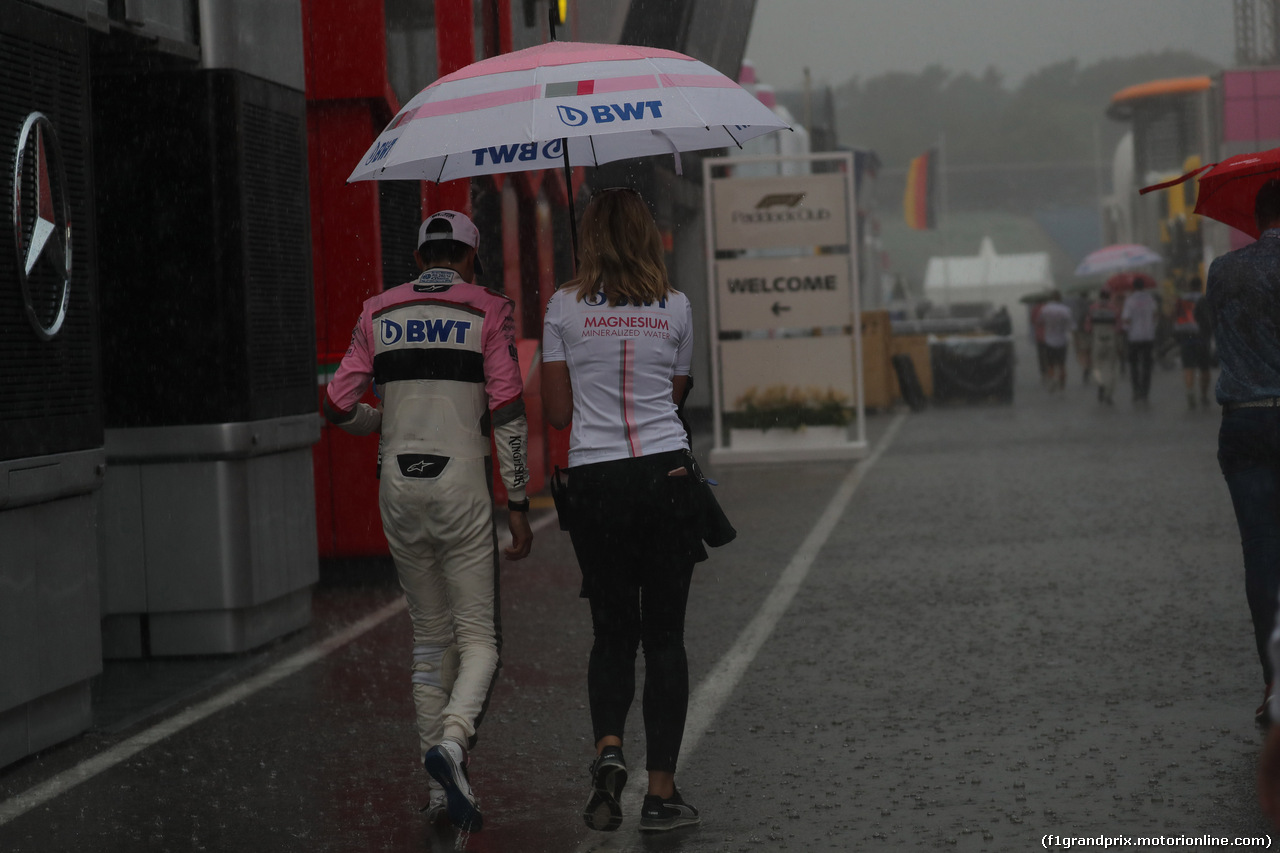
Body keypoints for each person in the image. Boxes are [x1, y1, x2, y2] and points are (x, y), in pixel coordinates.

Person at [323, 210, 533, 832]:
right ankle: (453, 743)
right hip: (462, 480)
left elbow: (336, 404)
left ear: (419, 259)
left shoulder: (376, 310)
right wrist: (517, 504)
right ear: (471, 258)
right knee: (479, 641)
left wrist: (377, 425)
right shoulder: (490, 309)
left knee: (429, 638)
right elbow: (509, 411)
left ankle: (439, 791)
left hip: (398, 485)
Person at [541, 187, 707, 833]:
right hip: (665, 476)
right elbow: (674, 395)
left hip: (597, 483)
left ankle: (608, 747)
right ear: (648, 236)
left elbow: (557, 413)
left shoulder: (562, 305)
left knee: (612, 633)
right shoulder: (677, 306)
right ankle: (661, 794)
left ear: (590, 239)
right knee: (665, 637)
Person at [1205, 178, 1280, 728]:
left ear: (1256, 219)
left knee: (1261, 553)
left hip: (1245, 423)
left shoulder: (1223, 271)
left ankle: (1275, 685)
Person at [1172, 281, 1213, 410]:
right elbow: (1210, 320)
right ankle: (1204, 395)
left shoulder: (1182, 300)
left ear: (1190, 287)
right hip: (1201, 339)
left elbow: (1175, 318)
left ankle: (1190, 392)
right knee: (1204, 369)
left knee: (1189, 367)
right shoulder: (1204, 299)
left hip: (1186, 338)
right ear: (1200, 287)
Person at [1121, 274, 1158, 402]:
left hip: (1134, 337)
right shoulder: (1150, 299)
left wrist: (1126, 331)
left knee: (1134, 365)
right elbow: (1155, 315)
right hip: (1148, 336)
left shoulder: (1129, 300)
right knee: (1147, 365)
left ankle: (1136, 390)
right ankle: (1145, 391)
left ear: (1133, 287)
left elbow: (1126, 320)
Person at [1086, 287, 1121, 405]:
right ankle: (1109, 393)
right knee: (1111, 368)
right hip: (1111, 340)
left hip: (1097, 339)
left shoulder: (1093, 308)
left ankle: (1101, 384)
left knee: (1097, 366)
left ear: (1100, 296)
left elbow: (1088, 327)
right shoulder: (1114, 308)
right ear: (1109, 296)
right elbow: (1119, 327)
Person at [1038, 290, 1075, 393]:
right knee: (1062, 364)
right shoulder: (1066, 310)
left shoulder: (1045, 309)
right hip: (1062, 340)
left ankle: (1053, 379)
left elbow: (1039, 322)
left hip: (1049, 340)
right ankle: (1062, 385)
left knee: (1050, 364)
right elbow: (1070, 326)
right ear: (1060, 298)